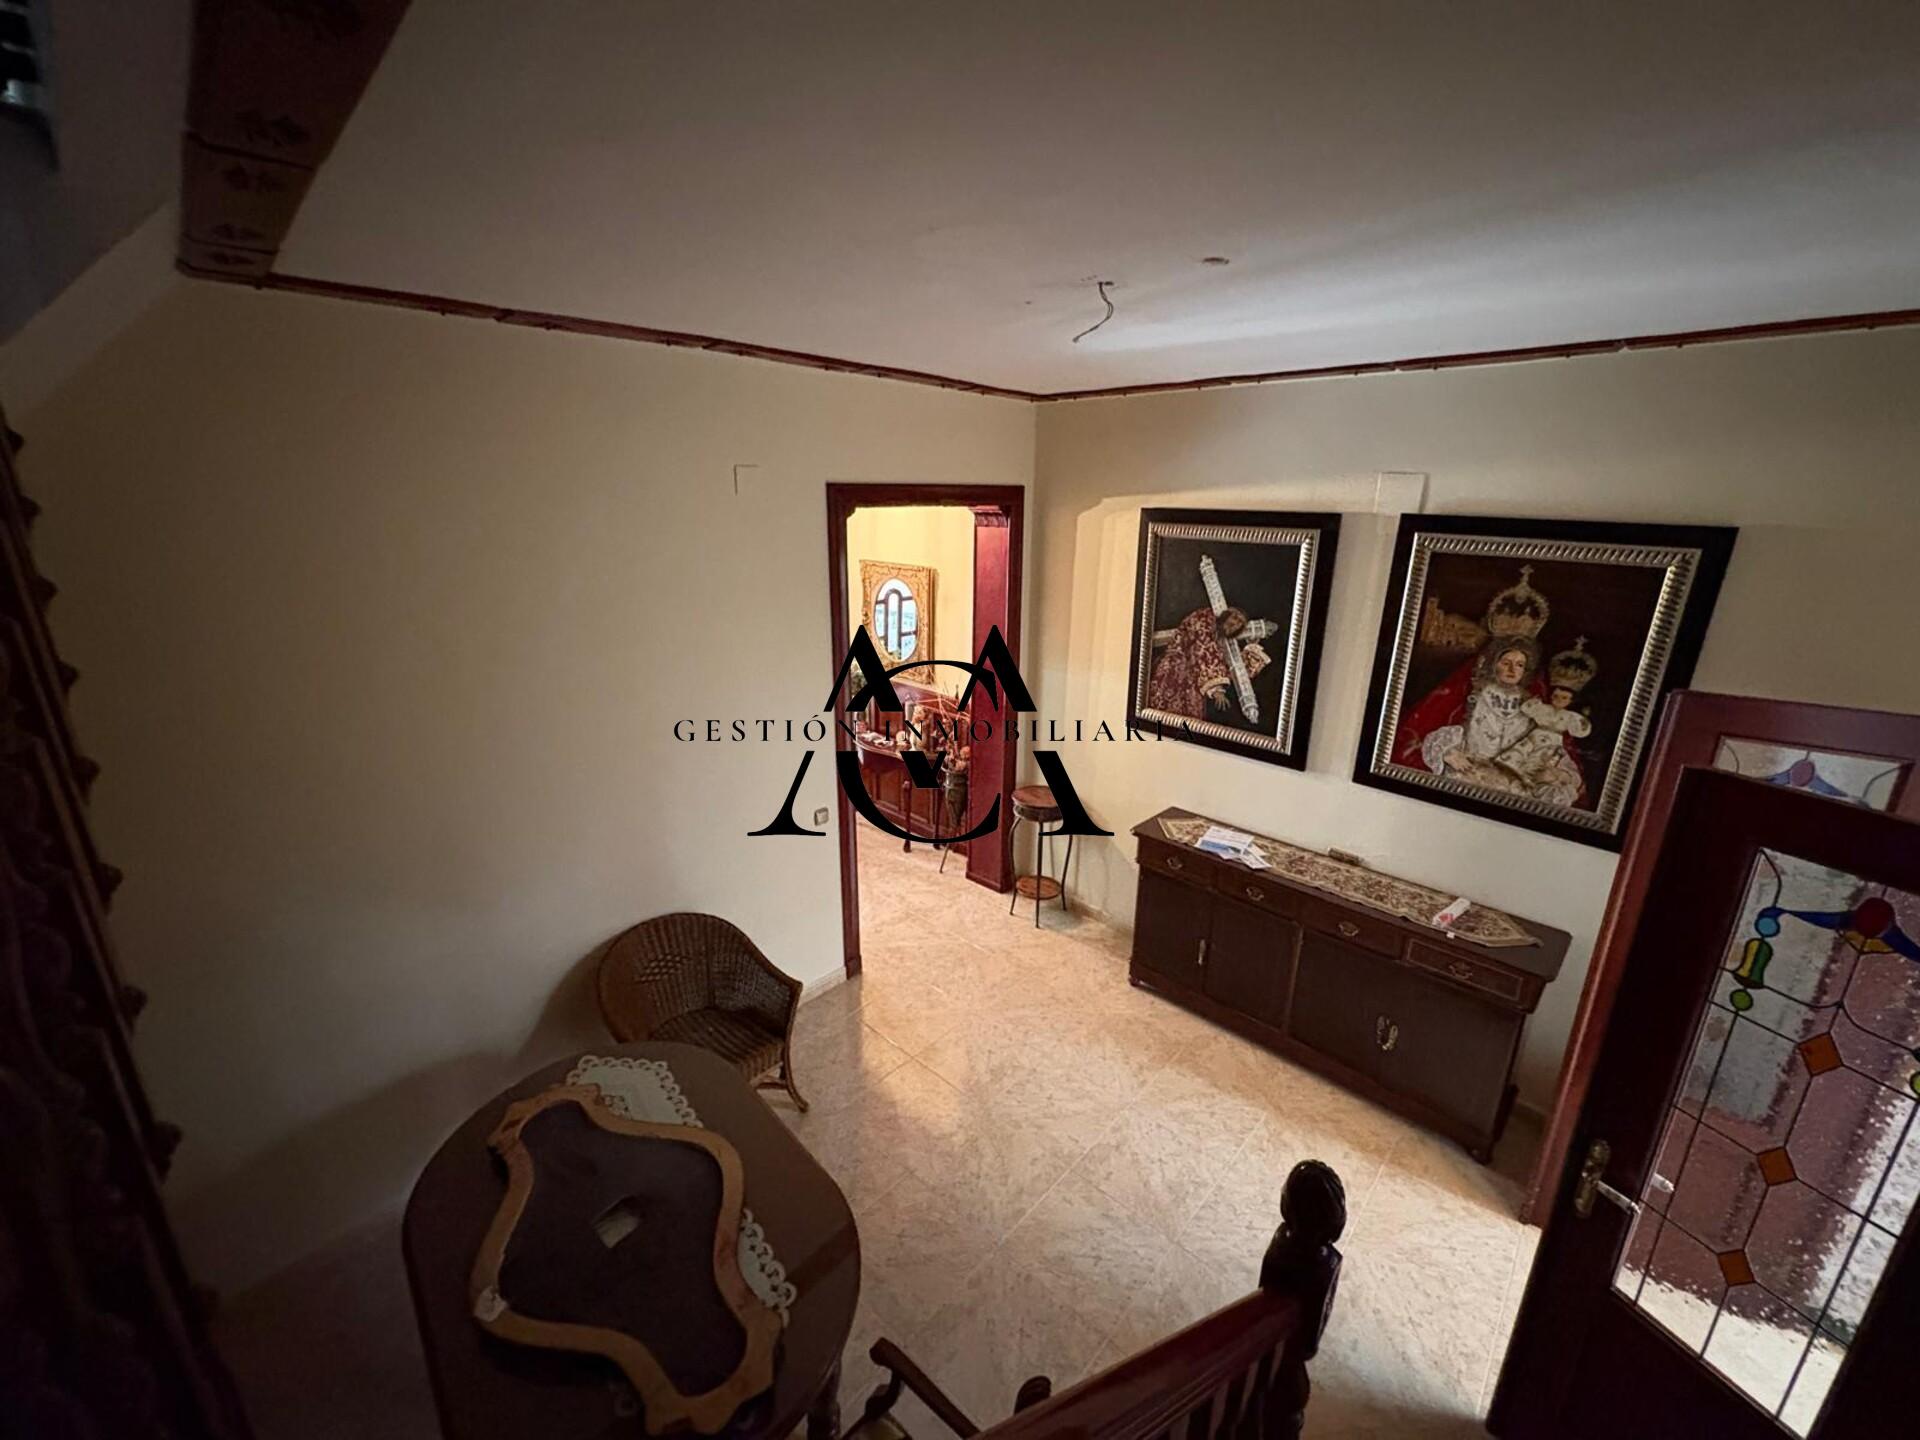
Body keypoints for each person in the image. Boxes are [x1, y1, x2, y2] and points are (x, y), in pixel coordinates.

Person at [1147, 605, 1272, 720]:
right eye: (1234, 617)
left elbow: (1229, 670)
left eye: (1240, 623)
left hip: (1194, 685)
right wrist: (1215, 688)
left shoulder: (1221, 643)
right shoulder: (1204, 618)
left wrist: (1252, 647)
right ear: (1226, 614)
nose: (1235, 624)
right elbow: (1203, 649)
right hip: (1175, 671)